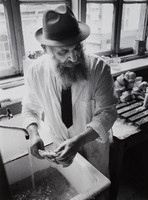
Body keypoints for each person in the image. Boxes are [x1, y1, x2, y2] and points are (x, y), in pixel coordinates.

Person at [22, 4, 118, 179]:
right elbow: (30, 108)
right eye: (64, 52)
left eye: (77, 49)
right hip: (59, 146)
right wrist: (34, 134)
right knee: (73, 187)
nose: (73, 58)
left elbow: (108, 112)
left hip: (93, 146)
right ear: (46, 48)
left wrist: (79, 141)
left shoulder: (98, 68)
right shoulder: (35, 71)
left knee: (97, 188)